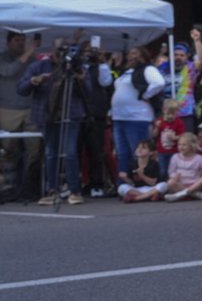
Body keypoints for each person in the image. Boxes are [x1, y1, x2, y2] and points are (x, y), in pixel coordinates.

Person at [19, 41, 90, 205]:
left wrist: (81, 79)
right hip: (47, 115)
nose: (62, 52)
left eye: (64, 49)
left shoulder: (76, 67)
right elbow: (21, 88)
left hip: (71, 114)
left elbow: (89, 92)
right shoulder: (40, 66)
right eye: (59, 49)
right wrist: (35, 81)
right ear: (53, 50)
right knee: (51, 153)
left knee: (69, 152)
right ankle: (52, 190)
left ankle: (74, 190)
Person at [110, 47, 165, 179]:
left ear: (142, 56)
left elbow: (159, 83)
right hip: (119, 117)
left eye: (134, 53)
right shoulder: (126, 72)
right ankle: (124, 182)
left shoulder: (148, 69)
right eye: (129, 53)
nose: (130, 56)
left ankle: (142, 181)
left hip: (137, 117)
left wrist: (145, 95)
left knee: (139, 151)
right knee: (121, 152)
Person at [0, 31, 39, 199]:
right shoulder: (3, 57)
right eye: (17, 40)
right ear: (8, 42)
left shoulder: (32, 59)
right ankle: (8, 187)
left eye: (23, 40)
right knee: (9, 149)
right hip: (8, 109)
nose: (21, 43)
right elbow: (9, 71)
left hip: (30, 109)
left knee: (34, 149)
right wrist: (29, 51)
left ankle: (28, 186)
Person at [78, 43, 113, 197]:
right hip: (77, 113)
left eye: (90, 51)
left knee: (96, 150)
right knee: (76, 150)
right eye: (86, 51)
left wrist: (101, 60)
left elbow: (106, 82)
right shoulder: (76, 67)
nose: (88, 54)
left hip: (96, 113)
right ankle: (77, 182)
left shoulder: (99, 67)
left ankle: (96, 183)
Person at [164, 132, 202, 201]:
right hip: (180, 184)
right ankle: (196, 194)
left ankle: (181, 195)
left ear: (192, 146)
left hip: (195, 183)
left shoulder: (199, 158)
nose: (181, 147)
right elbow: (171, 171)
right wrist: (174, 176)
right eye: (179, 144)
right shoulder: (175, 157)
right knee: (170, 182)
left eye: (184, 145)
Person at [162, 43, 197, 132]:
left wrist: (197, 41)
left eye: (182, 55)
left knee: (186, 140)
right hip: (168, 112)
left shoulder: (191, 67)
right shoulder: (162, 68)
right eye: (175, 55)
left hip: (185, 112)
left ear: (186, 57)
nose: (178, 57)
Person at [153, 100, 185, 176]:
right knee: (162, 170)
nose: (170, 116)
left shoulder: (179, 122)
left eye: (173, 114)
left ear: (177, 113)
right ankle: (162, 183)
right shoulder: (160, 121)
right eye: (168, 114)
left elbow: (182, 136)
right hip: (161, 151)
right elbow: (154, 135)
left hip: (174, 151)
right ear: (164, 111)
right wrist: (157, 127)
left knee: (173, 169)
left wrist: (175, 137)